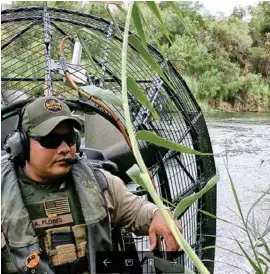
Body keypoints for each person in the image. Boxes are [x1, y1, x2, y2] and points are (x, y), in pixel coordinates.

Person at [1, 96, 182, 274]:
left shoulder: (100, 183)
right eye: (51, 140)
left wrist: (160, 214)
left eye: (70, 138)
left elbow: (138, 211)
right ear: (21, 145)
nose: (64, 148)